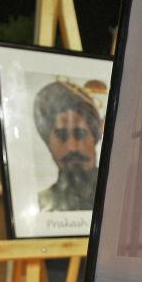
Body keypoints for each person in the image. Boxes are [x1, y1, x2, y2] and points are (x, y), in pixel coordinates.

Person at [32, 80, 102, 211]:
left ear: (95, 137)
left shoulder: (120, 198)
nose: (72, 147)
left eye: (80, 134)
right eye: (62, 136)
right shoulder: (41, 206)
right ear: (49, 143)